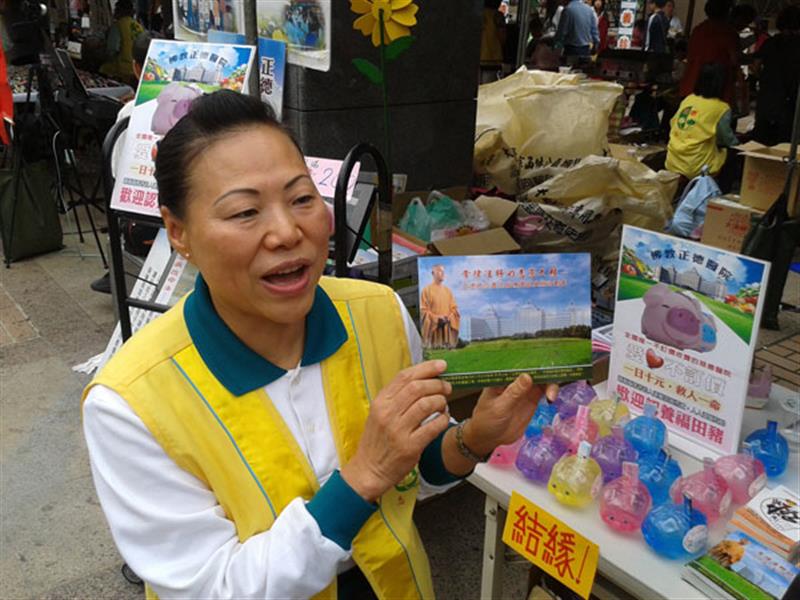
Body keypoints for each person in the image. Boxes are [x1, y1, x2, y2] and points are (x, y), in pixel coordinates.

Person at [82, 90, 558, 599]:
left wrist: (475, 437)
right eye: (245, 212)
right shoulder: (130, 403)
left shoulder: (380, 314)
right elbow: (213, 587)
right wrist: (363, 476)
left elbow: (410, 476)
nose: (287, 232)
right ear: (178, 232)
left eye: (302, 199)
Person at [666, 62, 739, 181]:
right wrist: (739, 145)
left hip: (672, 161)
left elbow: (672, 123)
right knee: (732, 155)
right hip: (697, 166)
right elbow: (725, 138)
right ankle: (721, 190)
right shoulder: (721, 108)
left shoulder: (688, 99)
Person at [752, 5, 800, 146]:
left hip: (767, 99)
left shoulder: (770, 42)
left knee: (760, 144)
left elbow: (755, 67)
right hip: (790, 102)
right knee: (785, 145)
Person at [679, 0, 738, 103]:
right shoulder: (728, 33)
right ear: (727, 12)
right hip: (716, 90)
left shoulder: (698, 30)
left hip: (691, 84)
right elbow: (735, 59)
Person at [100, 0, 145, 87]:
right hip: (137, 70)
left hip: (121, 70)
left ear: (120, 11)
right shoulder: (139, 26)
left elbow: (112, 50)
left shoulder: (118, 25)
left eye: (116, 9)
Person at [420, 265, 460, 349]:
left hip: (446, 327)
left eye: (443, 271)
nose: (442, 273)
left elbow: (454, 309)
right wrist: (436, 318)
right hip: (434, 329)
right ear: (433, 273)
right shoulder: (426, 290)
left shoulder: (448, 291)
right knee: (435, 350)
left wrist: (449, 317)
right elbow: (423, 310)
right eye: (439, 271)